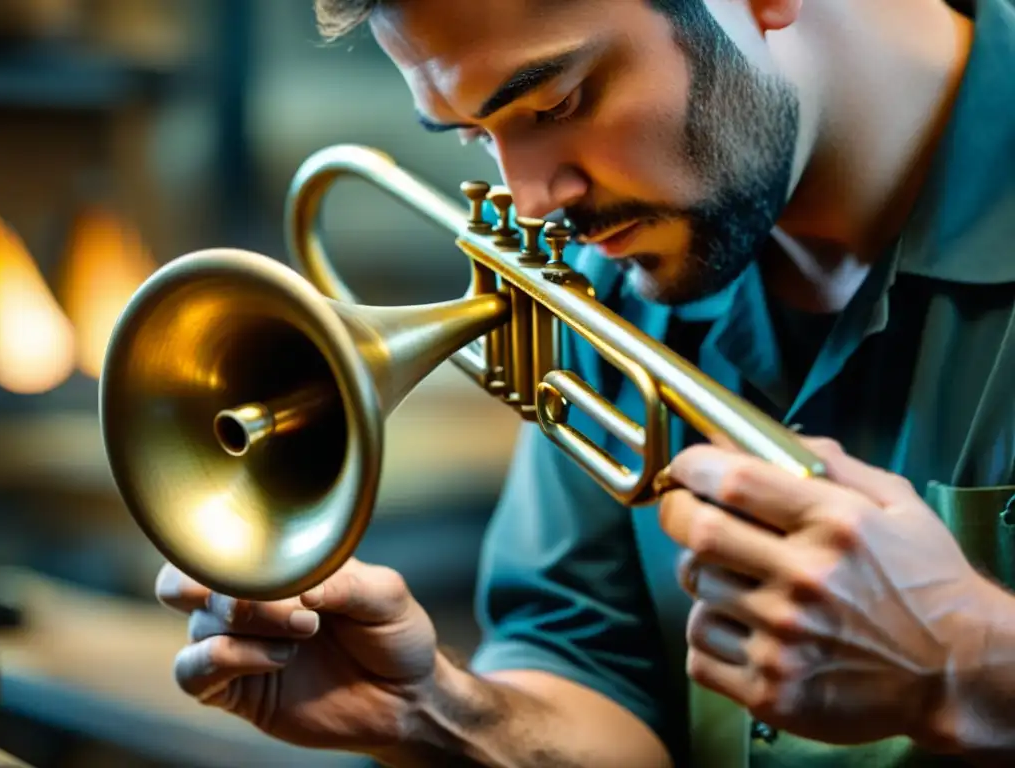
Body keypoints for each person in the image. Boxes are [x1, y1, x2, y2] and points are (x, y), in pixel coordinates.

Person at [155, 0, 1015, 765]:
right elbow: (602, 684)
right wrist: (433, 714)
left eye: (558, 101)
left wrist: (969, 660)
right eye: (472, 133)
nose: (528, 204)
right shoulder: (605, 275)